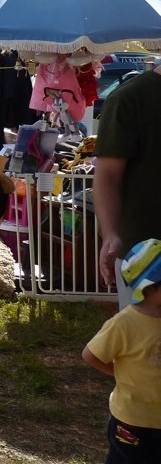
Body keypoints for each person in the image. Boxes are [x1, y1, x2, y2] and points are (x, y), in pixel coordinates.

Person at [82, 239, 161, 462]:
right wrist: (118, 372)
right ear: (149, 286)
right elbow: (90, 355)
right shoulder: (124, 323)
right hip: (132, 420)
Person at [94, 64, 161, 307]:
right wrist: (111, 234)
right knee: (145, 343)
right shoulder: (129, 99)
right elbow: (107, 176)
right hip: (148, 258)